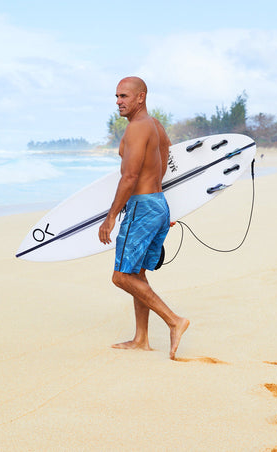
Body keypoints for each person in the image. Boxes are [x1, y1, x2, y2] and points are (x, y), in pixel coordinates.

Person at [98, 76, 189, 360]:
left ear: (141, 97)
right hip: (156, 204)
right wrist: (155, 204)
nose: (118, 102)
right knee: (137, 273)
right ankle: (141, 338)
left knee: (121, 276)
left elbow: (130, 176)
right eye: (116, 97)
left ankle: (174, 320)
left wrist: (111, 217)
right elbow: (163, 164)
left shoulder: (137, 129)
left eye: (124, 96)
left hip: (141, 207)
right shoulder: (156, 127)